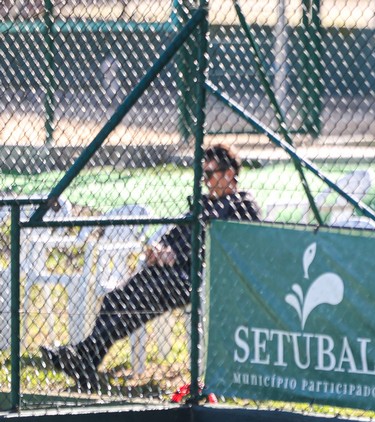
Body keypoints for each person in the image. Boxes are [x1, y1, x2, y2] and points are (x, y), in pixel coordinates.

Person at [42, 144, 261, 391]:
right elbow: (177, 232)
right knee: (116, 298)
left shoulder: (242, 205)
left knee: (143, 297)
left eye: (210, 174)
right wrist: (159, 247)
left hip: (204, 277)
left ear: (229, 174)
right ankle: (86, 360)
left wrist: (177, 254)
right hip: (173, 271)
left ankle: (83, 356)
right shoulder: (203, 203)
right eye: (203, 176)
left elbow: (225, 247)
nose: (206, 181)